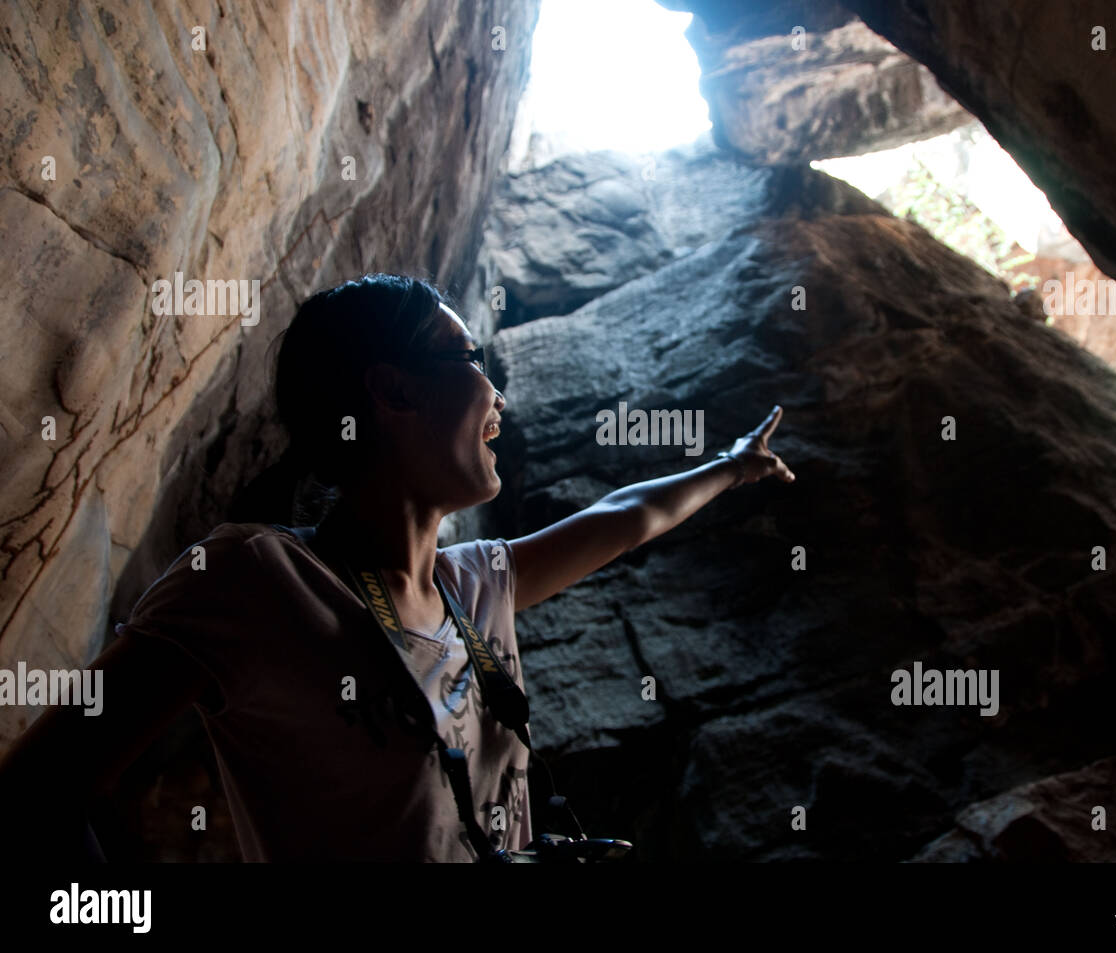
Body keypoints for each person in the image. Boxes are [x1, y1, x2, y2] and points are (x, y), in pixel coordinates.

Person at [0, 273, 795, 862]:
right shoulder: (254, 579)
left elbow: (624, 521)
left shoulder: (475, 586)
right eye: (469, 357)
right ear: (392, 390)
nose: (496, 393)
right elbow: (35, 792)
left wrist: (729, 465)